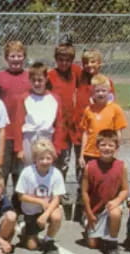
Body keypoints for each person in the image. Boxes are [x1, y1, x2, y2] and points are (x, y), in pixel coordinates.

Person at [0, 40, 31, 208]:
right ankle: (0, 206)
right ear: (6, 58)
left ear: (24, 57)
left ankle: (19, 208)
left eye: (19, 56)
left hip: (24, 132)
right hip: (4, 133)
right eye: (12, 56)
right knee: (2, 172)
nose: (16, 59)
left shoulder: (30, 77)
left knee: (21, 173)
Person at [81, 130, 128, 254]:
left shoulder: (121, 166)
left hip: (111, 206)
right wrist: (89, 213)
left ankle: (112, 243)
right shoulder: (90, 167)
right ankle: (95, 230)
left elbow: (125, 190)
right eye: (103, 145)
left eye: (110, 145)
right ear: (97, 146)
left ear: (116, 147)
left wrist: (117, 201)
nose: (106, 148)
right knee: (92, 245)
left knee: (115, 213)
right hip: (95, 208)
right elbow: (84, 192)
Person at [15, 138, 65, 254]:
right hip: (31, 210)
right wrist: (40, 201)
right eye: (41, 158)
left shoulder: (56, 173)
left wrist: (46, 214)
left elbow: (57, 198)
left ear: (53, 158)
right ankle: (25, 230)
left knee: (57, 216)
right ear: (35, 159)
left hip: (46, 210)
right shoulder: (27, 172)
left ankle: (48, 240)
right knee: (32, 246)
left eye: (48, 158)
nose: (45, 161)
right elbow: (20, 196)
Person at [48, 42, 83, 192]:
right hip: (59, 124)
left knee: (81, 160)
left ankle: (82, 190)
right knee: (62, 160)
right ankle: (59, 191)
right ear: (56, 59)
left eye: (68, 60)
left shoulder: (75, 72)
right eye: (61, 59)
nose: (64, 63)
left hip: (75, 123)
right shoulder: (50, 75)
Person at [18, 62, 65, 166]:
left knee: (46, 168)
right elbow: (18, 124)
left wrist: (57, 147)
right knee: (30, 170)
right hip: (29, 138)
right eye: (33, 80)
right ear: (29, 80)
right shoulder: (24, 98)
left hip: (47, 138)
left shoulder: (54, 98)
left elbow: (59, 125)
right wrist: (19, 149)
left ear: (46, 79)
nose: (37, 83)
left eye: (40, 80)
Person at [79, 74, 127, 168]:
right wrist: (81, 155)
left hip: (107, 152)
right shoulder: (88, 109)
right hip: (90, 153)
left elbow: (118, 133)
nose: (100, 94)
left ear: (109, 91)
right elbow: (85, 133)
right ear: (92, 92)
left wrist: (115, 152)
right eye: (97, 91)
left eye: (103, 91)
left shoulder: (115, 109)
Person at [76, 49, 116, 128]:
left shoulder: (105, 82)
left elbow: (111, 103)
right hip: (81, 121)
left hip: (98, 120)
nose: (89, 65)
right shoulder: (80, 78)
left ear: (99, 63)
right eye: (86, 63)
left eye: (93, 62)